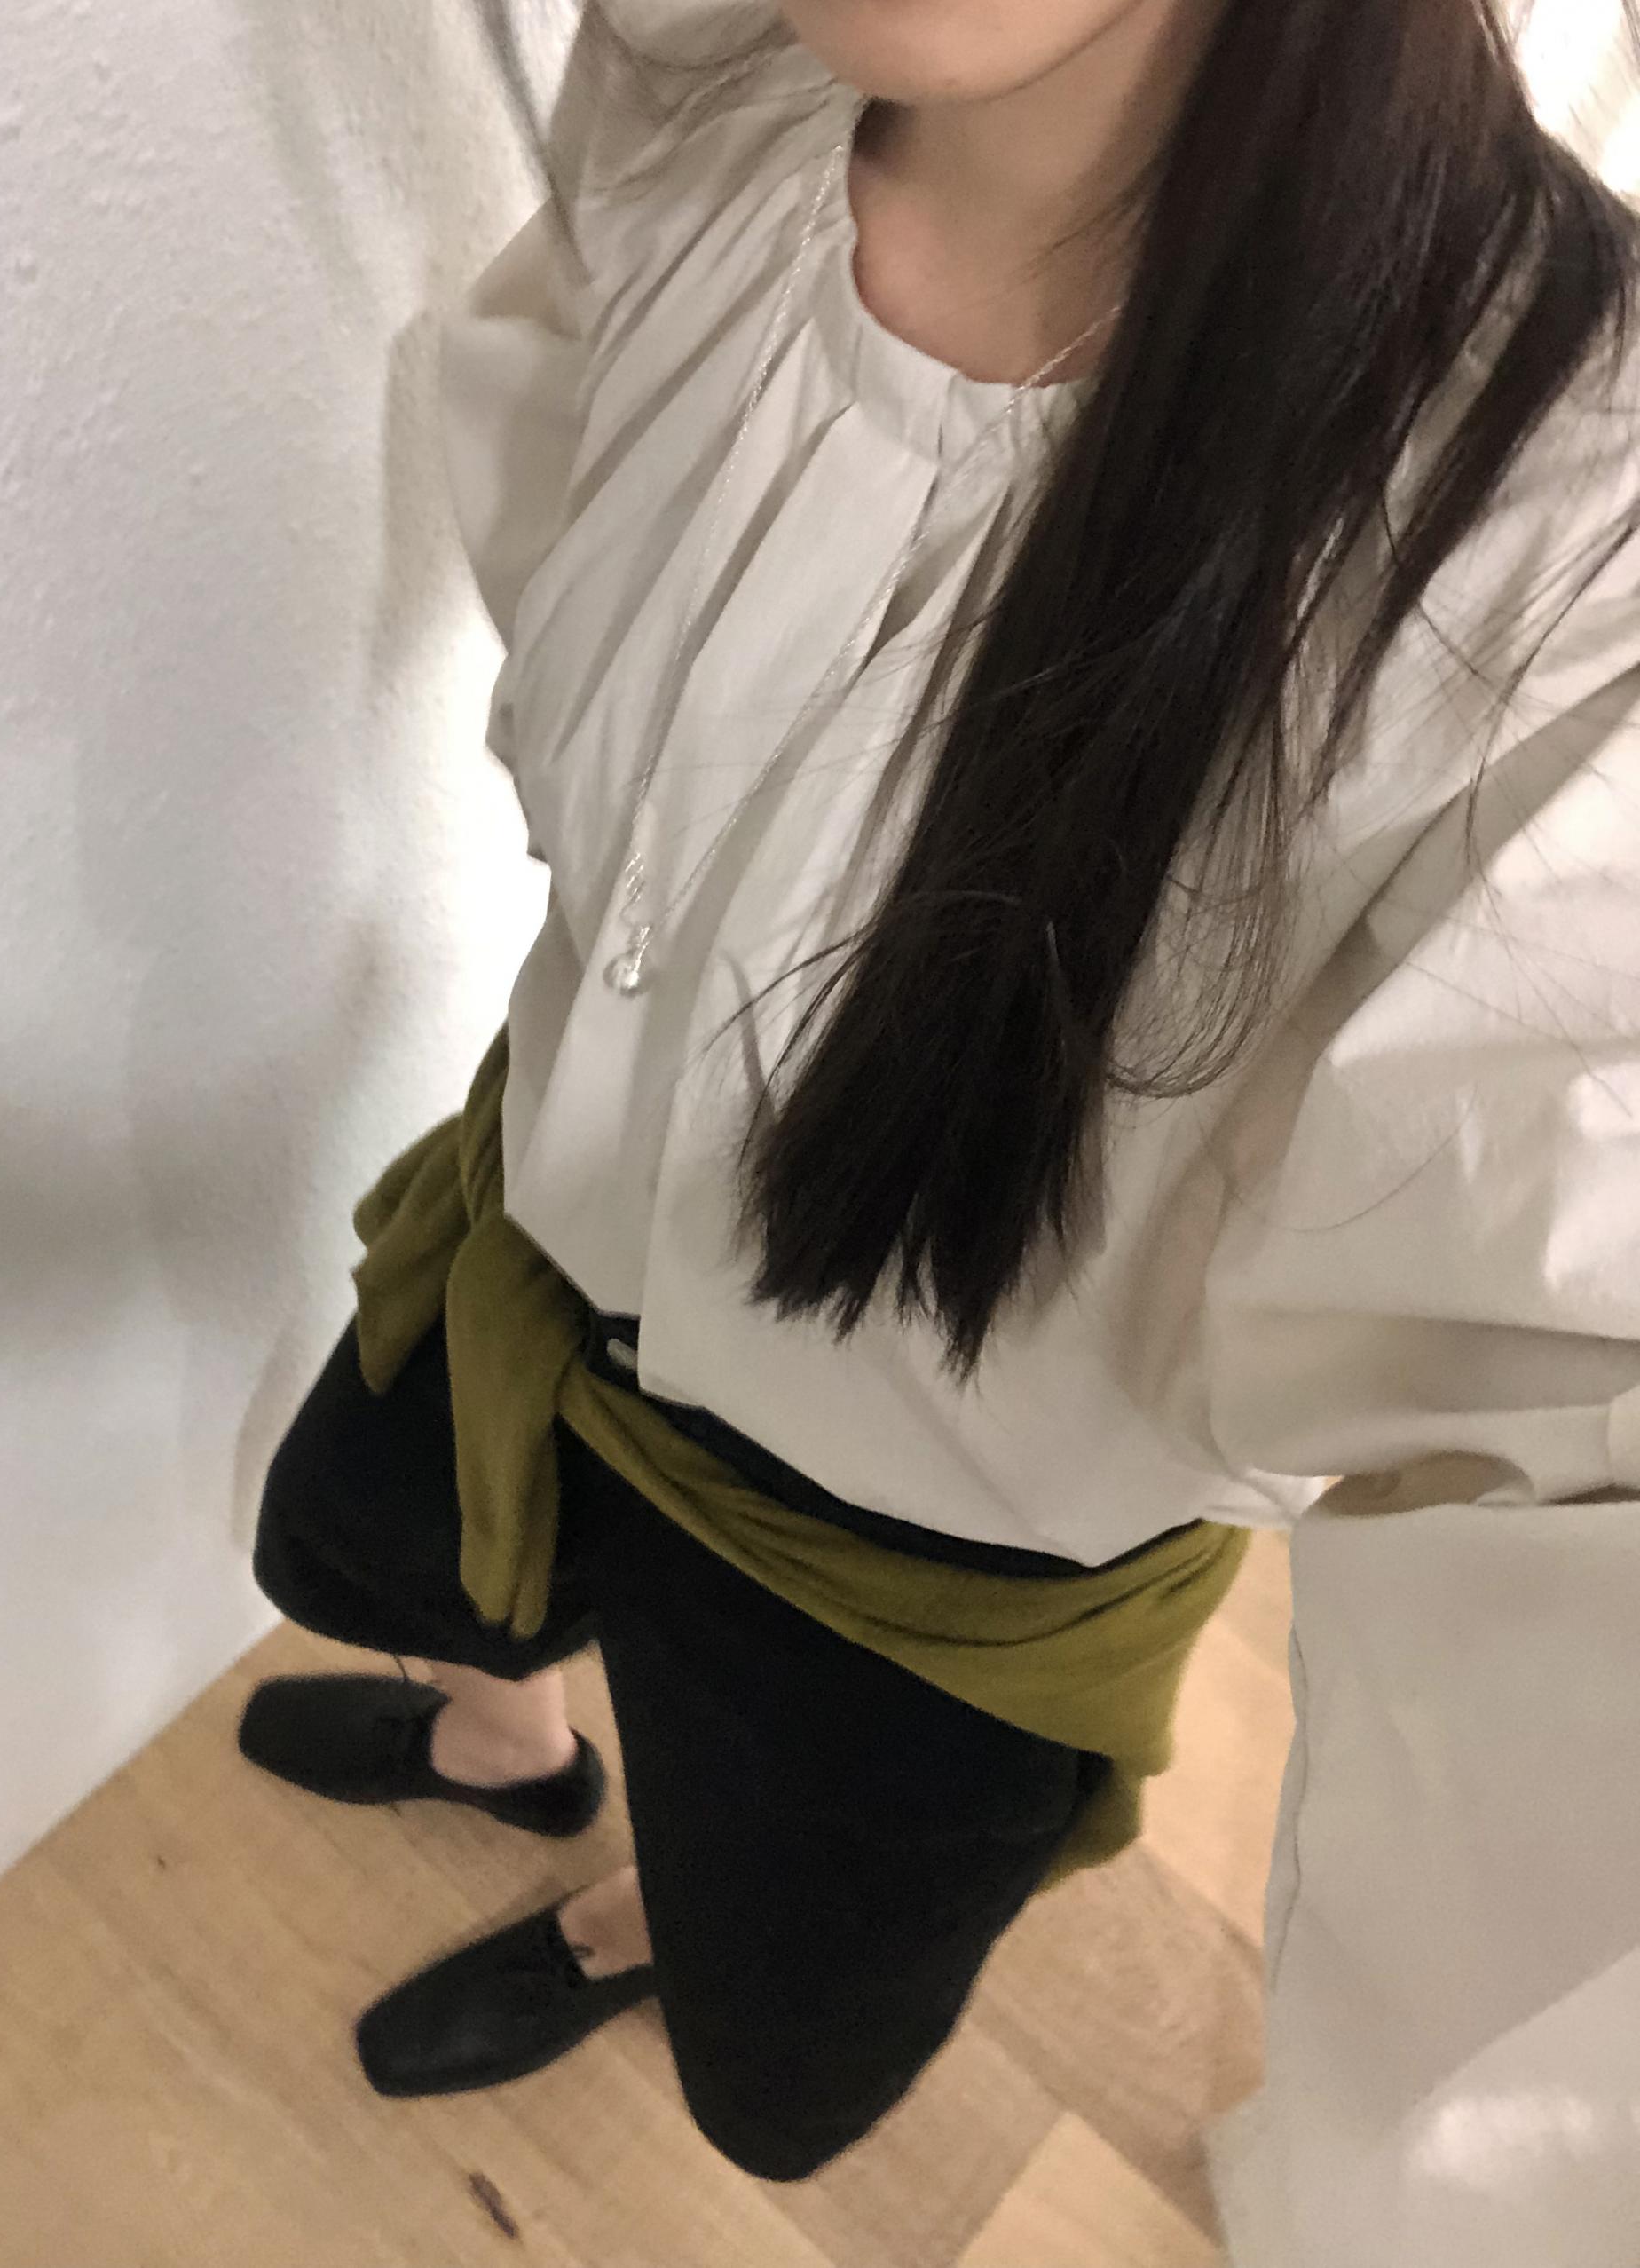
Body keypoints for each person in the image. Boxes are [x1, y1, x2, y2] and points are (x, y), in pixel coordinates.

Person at [239, 0, 1640, 2256]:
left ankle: (647, 1917)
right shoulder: (695, 86)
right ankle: (517, 1745)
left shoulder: (1573, 569)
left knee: (777, 2064)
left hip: (910, 1587)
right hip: (536, 1239)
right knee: (344, 1552)